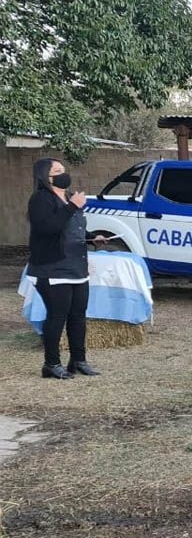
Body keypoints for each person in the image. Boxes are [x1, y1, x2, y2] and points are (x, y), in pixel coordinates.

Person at [26, 157, 105, 379]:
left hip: (76, 267)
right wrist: (72, 206)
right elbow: (49, 228)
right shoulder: (40, 199)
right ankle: (51, 364)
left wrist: (92, 238)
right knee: (57, 316)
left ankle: (78, 360)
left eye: (64, 169)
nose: (64, 173)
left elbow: (72, 229)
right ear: (45, 176)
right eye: (57, 170)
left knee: (78, 315)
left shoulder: (70, 198)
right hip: (52, 269)